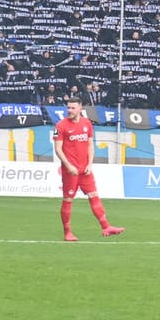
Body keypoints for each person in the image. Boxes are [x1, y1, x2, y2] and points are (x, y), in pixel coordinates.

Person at [51, 98, 123, 242]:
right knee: (68, 199)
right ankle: (67, 232)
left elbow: (90, 145)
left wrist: (90, 164)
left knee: (94, 195)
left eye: (72, 108)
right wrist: (68, 165)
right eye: (68, 108)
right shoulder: (61, 125)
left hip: (85, 170)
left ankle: (106, 226)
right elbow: (58, 149)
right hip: (70, 171)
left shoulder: (87, 123)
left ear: (80, 108)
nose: (69, 110)